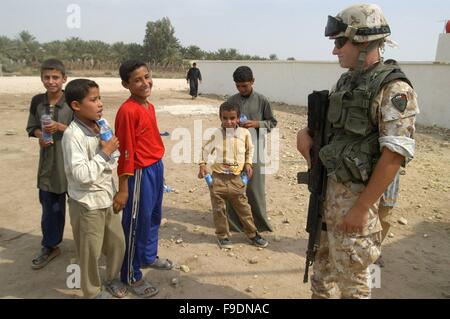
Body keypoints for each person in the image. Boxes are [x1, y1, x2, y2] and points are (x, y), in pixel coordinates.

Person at [296, 4, 419, 299]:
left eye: (340, 42)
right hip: (328, 197)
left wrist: (362, 207)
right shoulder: (346, 81)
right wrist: (306, 135)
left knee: (354, 284)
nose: (335, 51)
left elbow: (394, 155)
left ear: (363, 42)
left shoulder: (394, 89)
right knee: (321, 276)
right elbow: (334, 133)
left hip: (357, 204)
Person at [62, 79, 127, 299]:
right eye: (93, 99)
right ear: (76, 106)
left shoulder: (102, 124)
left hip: (107, 197)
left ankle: (111, 279)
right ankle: (92, 291)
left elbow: (115, 155)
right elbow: (81, 176)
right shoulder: (73, 136)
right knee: (89, 251)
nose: (100, 104)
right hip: (86, 203)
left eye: (99, 98)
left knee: (117, 242)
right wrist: (104, 153)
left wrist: (108, 152)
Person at [113, 60, 173, 298]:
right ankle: (130, 274)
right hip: (138, 173)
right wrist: (123, 188)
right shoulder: (127, 111)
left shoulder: (149, 105)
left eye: (146, 76)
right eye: (137, 80)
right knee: (135, 224)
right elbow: (125, 151)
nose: (144, 83)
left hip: (155, 168)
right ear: (125, 84)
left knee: (153, 217)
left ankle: (148, 256)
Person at [198, 102, 269, 249]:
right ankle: (223, 236)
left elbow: (250, 150)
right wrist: (202, 165)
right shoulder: (216, 134)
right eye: (225, 118)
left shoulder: (244, 134)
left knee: (244, 208)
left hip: (236, 178)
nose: (228, 122)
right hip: (218, 178)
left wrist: (248, 164)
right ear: (220, 117)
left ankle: (252, 234)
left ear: (238, 118)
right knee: (219, 210)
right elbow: (205, 150)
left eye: (232, 118)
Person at [25, 59, 73, 270]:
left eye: (55, 77)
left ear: (64, 79)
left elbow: (86, 129)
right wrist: (39, 135)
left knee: (84, 207)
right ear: (41, 78)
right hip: (49, 165)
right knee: (50, 207)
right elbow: (32, 127)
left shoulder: (73, 101)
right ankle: (51, 245)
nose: (51, 81)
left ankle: (92, 245)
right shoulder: (37, 101)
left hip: (73, 163)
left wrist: (60, 126)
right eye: (47, 77)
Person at [226, 66, 277, 233]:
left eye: (245, 86)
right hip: (235, 150)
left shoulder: (262, 100)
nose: (241, 89)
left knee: (255, 189)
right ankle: (234, 224)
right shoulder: (231, 101)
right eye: (238, 86)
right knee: (233, 188)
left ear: (252, 82)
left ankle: (259, 224)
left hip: (256, 151)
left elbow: (272, 122)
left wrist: (257, 124)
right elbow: (224, 122)